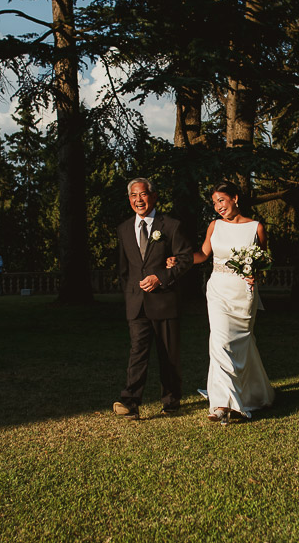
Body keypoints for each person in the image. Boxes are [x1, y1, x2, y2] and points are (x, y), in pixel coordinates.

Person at [170, 181, 275, 423]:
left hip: (243, 293)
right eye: (214, 203)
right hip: (218, 290)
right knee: (219, 342)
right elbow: (203, 254)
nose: (218, 206)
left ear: (235, 198)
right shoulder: (215, 226)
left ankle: (251, 393)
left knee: (241, 344)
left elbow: (264, 263)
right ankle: (221, 405)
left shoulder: (256, 228)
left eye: (221, 200)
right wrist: (181, 259)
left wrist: (256, 275)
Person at [113, 178, 194, 420]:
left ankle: (171, 401)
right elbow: (124, 269)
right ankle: (130, 402)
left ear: (154, 196)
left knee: (168, 354)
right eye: (133, 195)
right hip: (136, 304)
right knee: (137, 352)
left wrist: (161, 277)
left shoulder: (171, 226)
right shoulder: (124, 229)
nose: (138, 200)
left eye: (143, 194)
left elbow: (186, 259)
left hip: (165, 300)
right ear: (129, 199)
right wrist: (130, 295)